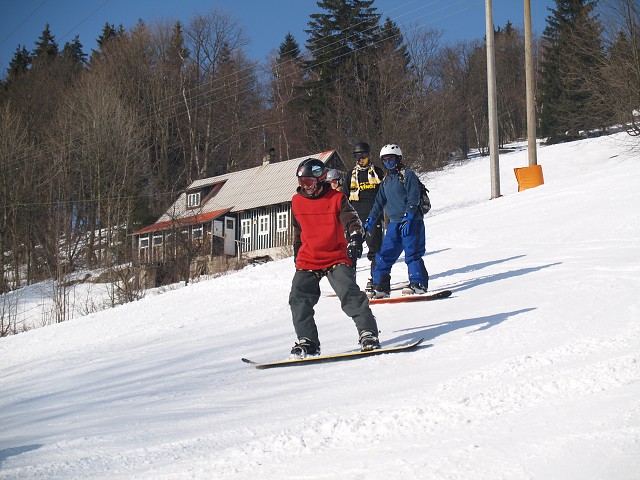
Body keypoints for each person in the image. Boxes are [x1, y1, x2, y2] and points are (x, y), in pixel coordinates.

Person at [289, 158, 380, 358]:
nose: (306, 187)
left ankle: (368, 333)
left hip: (335, 255)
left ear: (321, 179)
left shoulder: (337, 199)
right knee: (298, 297)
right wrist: (297, 251)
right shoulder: (296, 202)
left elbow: (352, 220)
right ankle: (308, 341)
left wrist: (355, 238)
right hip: (309, 257)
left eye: (309, 182)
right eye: (302, 182)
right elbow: (298, 230)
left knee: (348, 293)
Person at [363, 144, 429, 298]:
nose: (388, 163)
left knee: (412, 253)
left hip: (411, 222)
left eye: (391, 159)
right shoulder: (386, 180)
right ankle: (381, 286)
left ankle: (418, 283)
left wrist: (409, 215)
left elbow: (413, 197)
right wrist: (370, 219)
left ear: (398, 159)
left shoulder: (408, 175)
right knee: (384, 254)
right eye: (385, 160)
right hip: (393, 223)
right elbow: (379, 202)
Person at [347, 141, 385, 291]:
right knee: (352, 250)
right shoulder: (351, 175)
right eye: (357, 156)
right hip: (356, 218)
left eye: (363, 155)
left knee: (375, 250)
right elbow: (344, 197)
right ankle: (349, 282)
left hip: (373, 216)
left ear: (369, 155)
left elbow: (384, 194)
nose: (360, 159)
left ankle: (376, 279)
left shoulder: (377, 173)